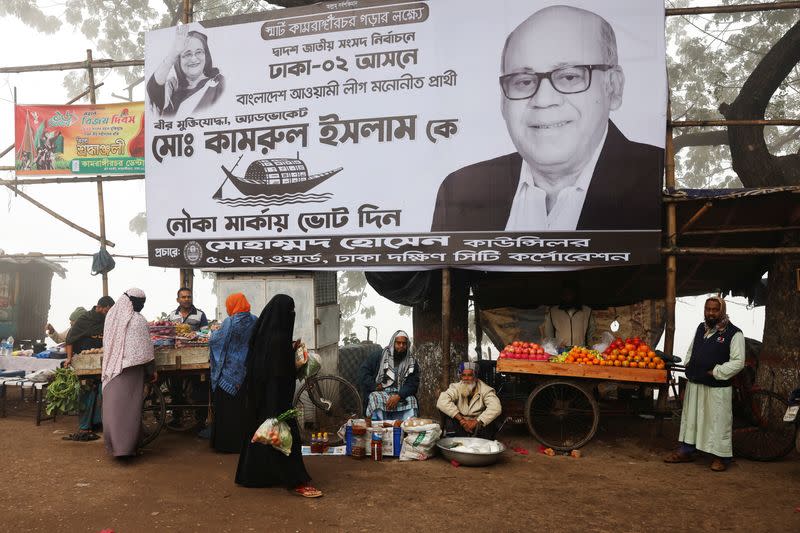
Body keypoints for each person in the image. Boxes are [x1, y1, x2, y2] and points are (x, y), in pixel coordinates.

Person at [431, 5, 663, 232]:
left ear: (613, 87)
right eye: (523, 81)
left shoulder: (657, 179)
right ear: (503, 100)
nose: (543, 99)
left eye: (569, 77)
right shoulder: (462, 190)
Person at [235, 294, 322, 498]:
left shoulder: (264, 335)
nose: (292, 315)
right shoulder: (279, 341)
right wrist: (275, 413)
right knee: (286, 440)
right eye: (290, 311)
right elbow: (277, 375)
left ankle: (254, 476)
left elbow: (265, 368)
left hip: (260, 397)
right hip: (276, 401)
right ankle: (297, 480)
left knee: (262, 437)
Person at [664, 296, 745, 472]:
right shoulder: (701, 328)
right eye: (708, 309)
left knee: (717, 422)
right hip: (695, 383)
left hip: (717, 389)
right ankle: (687, 451)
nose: (710, 313)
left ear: (722, 311)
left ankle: (720, 458)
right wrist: (688, 364)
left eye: (715, 309)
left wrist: (716, 372)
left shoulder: (734, 333)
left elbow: (738, 362)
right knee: (691, 420)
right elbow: (692, 350)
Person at [101, 289, 156, 458]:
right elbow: (145, 350)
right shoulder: (137, 320)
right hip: (131, 371)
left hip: (112, 370)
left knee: (113, 409)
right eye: (141, 302)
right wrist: (151, 370)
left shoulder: (111, 316)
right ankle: (125, 449)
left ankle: (114, 446)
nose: (142, 306)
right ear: (133, 302)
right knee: (129, 410)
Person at [209, 293, 257, 453]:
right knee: (242, 408)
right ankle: (242, 443)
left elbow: (217, 341)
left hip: (228, 372)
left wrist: (213, 332)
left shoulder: (230, 321)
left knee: (227, 410)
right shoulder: (254, 320)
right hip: (245, 370)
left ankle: (226, 444)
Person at [62, 296, 114, 442]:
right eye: (106, 311)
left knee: (101, 391)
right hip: (85, 363)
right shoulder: (85, 319)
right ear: (99, 307)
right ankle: (84, 427)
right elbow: (70, 339)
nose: (107, 314)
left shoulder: (108, 320)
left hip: (103, 362)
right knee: (87, 392)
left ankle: (97, 423)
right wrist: (69, 358)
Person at [147, 28, 225, 117]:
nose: (194, 59)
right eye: (187, 54)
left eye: (199, 52)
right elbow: (153, 88)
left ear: (206, 56)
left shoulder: (218, 84)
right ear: (178, 60)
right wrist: (174, 53)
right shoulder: (171, 91)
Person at [166, 287, 209, 430]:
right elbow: (167, 334)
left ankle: (200, 420)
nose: (186, 299)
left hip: (194, 357)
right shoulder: (172, 315)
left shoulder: (200, 314)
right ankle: (177, 417)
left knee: (198, 388)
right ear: (178, 299)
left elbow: (205, 333)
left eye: (189, 297)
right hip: (175, 357)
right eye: (183, 297)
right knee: (175, 388)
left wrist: (195, 334)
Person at [357, 330, 420, 421]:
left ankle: (405, 427)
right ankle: (379, 427)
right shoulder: (378, 356)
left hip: (400, 393)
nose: (401, 346)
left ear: (407, 345)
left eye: (404, 343)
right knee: (375, 398)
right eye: (398, 343)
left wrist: (399, 396)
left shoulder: (411, 362)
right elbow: (363, 373)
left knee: (411, 400)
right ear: (393, 343)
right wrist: (374, 386)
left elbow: (413, 383)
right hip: (381, 391)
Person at [437, 362, 502, 439]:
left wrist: (476, 422)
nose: (466, 379)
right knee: (446, 412)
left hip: (478, 424)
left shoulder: (485, 389)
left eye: (470, 375)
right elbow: (442, 401)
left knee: (491, 421)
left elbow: (496, 407)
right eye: (463, 375)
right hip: (460, 422)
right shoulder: (456, 387)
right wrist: (462, 420)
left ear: (476, 377)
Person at [542, 280, 595, 349]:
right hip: (560, 350)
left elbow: (591, 332)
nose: (568, 297)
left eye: (571, 293)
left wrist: (590, 348)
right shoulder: (553, 311)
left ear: (576, 294)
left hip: (581, 351)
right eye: (565, 294)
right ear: (562, 295)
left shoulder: (587, 311)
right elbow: (549, 333)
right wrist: (552, 349)